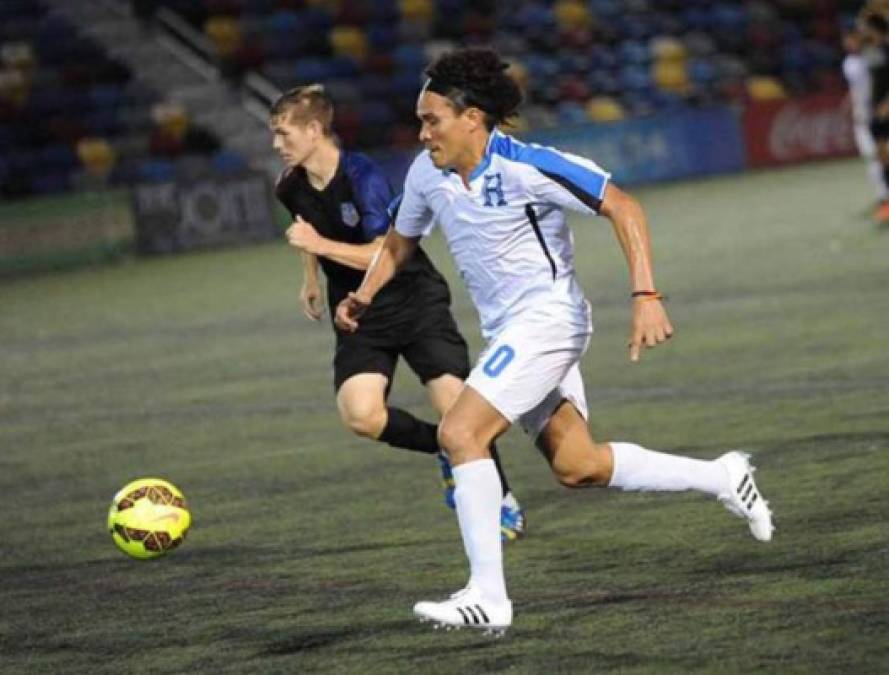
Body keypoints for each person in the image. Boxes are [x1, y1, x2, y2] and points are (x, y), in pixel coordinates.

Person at [335, 48, 774, 633]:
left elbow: (623, 206)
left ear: (472, 118)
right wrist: (365, 294)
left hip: (548, 321)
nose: (422, 132)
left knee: (460, 433)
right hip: (510, 332)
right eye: (420, 120)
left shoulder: (527, 165)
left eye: (431, 119)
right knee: (579, 465)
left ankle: (488, 597)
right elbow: (398, 240)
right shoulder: (425, 173)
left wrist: (646, 295)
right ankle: (723, 476)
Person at [269, 84, 525, 540]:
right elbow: (306, 228)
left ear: (313, 130)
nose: (276, 144)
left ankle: (501, 499)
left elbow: (384, 252)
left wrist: (318, 247)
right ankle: (445, 450)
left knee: (456, 408)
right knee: (361, 415)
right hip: (358, 313)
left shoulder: (362, 175)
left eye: (283, 133)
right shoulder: (289, 185)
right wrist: (311, 276)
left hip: (413, 301)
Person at [842, 23, 889, 206]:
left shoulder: (875, 57)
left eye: (853, 38)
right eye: (846, 39)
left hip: (881, 113)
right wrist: (848, 104)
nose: (849, 42)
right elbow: (857, 87)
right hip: (863, 116)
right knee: (872, 157)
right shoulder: (848, 62)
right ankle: (883, 197)